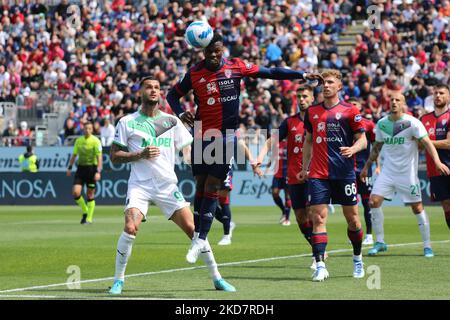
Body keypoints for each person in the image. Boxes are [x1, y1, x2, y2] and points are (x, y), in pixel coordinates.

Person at [167, 32, 322, 264]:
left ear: (222, 50)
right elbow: (172, 95)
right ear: (202, 50)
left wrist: (302, 74)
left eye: (217, 50)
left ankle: (201, 238)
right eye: (209, 51)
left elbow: (270, 72)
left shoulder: (236, 66)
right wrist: (180, 113)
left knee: (212, 185)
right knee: (200, 185)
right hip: (200, 133)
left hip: (226, 135)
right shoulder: (194, 73)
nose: (213, 54)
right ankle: (199, 238)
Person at [108, 76, 236, 294]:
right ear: (141, 92)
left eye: (157, 88)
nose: (153, 91)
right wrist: (140, 154)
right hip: (140, 186)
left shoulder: (172, 121)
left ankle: (217, 278)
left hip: (167, 186)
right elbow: (114, 156)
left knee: (194, 231)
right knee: (130, 227)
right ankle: (118, 280)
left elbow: (188, 152)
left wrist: (213, 163)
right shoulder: (127, 122)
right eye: (149, 87)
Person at [361, 91, 449, 258]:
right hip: (388, 172)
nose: (394, 102)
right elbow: (377, 148)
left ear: (403, 104)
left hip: (407, 174)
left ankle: (427, 245)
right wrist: (367, 167)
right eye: (391, 99)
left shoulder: (413, 123)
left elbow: (428, 144)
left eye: (397, 100)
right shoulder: (381, 124)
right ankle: (379, 242)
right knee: (373, 201)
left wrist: (437, 162)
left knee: (417, 207)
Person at [299, 69, 368, 282]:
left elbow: (363, 140)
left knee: (354, 220)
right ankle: (320, 265)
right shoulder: (312, 112)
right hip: (319, 174)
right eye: (324, 83)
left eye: (330, 83)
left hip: (344, 173)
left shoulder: (350, 111)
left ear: (339, 87)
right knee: (317, 217)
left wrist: (354, 149)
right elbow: (308, 140)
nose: (326, 86)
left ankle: (357, 258)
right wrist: (304, 167)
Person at [256, 84, 317, 267]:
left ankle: (318, 255)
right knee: (300, 217)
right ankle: (317, 247)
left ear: (312, 98)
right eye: (299, 96)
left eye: (305, 96)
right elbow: (272, 140)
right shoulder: (289, 122)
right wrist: (260, 156)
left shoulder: (320, 119)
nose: (301, 99)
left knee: (314, 214)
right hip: (293, 174)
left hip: (315, 174)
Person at [215, 138, 262, 245]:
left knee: (223, 197)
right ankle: (228, 223)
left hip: (224, 167)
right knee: (208, 201)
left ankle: (226, 236)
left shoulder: (228, 130)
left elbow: (242, 145)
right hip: (209, 166)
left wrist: (253, 162)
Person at [347, 98, 378, 245]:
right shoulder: (343, 122)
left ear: (360, 107)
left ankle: (369, 234)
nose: (352, 107)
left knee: (367, 203)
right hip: (348, 171)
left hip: (364, 170)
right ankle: (354, 233)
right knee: (350, 204)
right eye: (350, 105)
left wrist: (376, 165)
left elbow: (375, 146)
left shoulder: (368, 124)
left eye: (355, 105)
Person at [420, 84, 450, 229]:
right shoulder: (424, 119)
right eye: (436, 93)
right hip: (435, 170)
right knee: (446, 205)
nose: (438, 96)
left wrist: (426, 142)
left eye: (442, 93)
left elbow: (449, 143)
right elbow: (418, 144)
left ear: (448, 97)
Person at [66, 121, 103, 225]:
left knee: (90, 194)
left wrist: (98, 171)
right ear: (83, 129)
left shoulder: (96, 141)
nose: (87, 130)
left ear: (92, 130)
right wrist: (69, 167)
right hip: (81, 169)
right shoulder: (79, 141)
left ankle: (89, 219)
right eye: (86, 128)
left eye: (89, 128)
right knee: (76, 192)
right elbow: (74, 155)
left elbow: (99, 157)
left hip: (92, 169)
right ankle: (86, 210)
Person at [270, 140, 292, 226]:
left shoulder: (291, 142)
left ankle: (287, 219)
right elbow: (273, 157)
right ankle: (283, 210)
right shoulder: (276, 144)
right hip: (277, 173)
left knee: (287, 196)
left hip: (288, 172)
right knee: (275, 193)